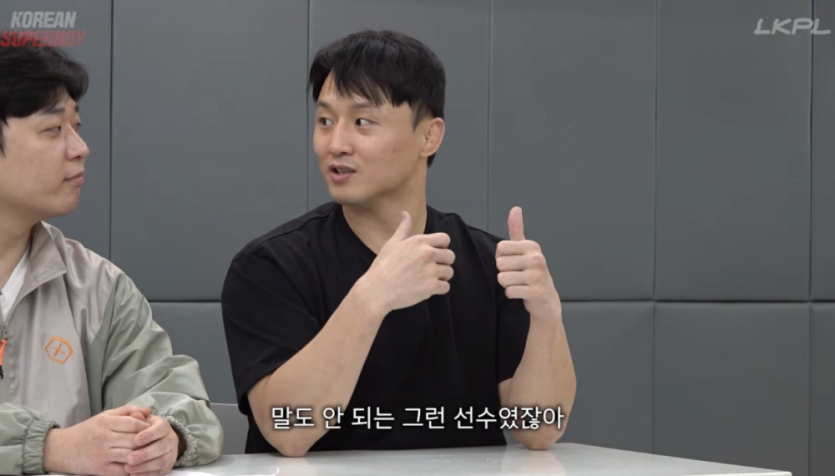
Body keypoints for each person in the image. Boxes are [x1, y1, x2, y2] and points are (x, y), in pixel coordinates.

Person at [221, 30, 576, 457]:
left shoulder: (490, 263)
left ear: (429, 136)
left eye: (362, 122)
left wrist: (547, 314)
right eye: (325, 121)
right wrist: (372, 297)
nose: (336, 144)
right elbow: (290, 428)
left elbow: (538, 428)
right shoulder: (270, 266)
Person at [0, 45, 223, 475]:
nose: (80, 148)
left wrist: (165, 434)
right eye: (53, 130)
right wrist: (48, 447)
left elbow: (179, 399)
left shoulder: (97, 286)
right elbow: (57, 448)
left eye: (76, 127)